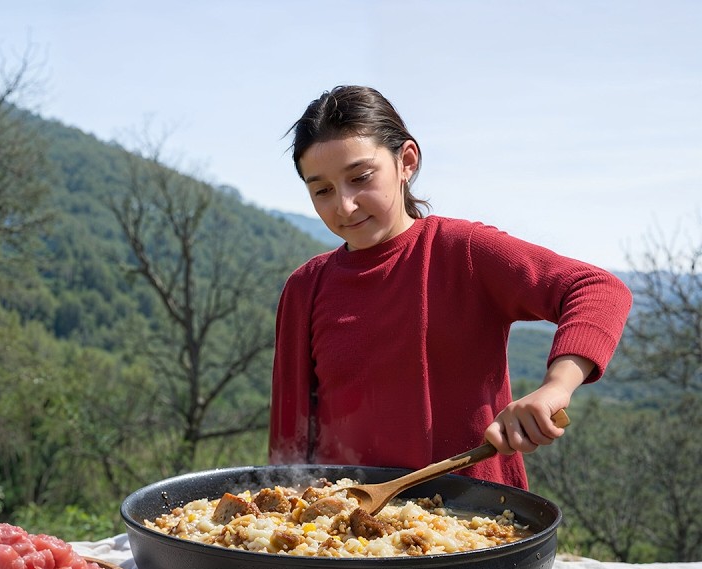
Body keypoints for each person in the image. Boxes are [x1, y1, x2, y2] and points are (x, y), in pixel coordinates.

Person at [268, 85, 632, 489]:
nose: (345, 205)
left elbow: (598, 289)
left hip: (474, 527)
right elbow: (291, 442)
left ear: (406, 161)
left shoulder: (464, 253)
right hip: (346, 534)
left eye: (360, 177)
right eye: (322, 190)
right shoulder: (306, 287)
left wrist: (555, 388)